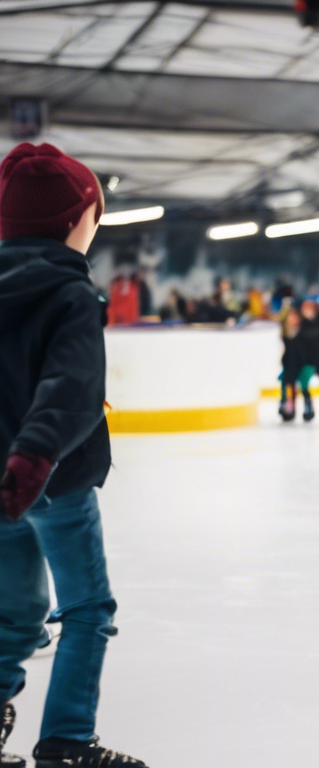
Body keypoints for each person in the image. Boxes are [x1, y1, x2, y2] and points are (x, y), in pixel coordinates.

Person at [0, 143, 149, 766]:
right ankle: (66, 739)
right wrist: (35, 458)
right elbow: (72, 391)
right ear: (74, 222)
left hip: (2, 487)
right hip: (52, 481)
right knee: (86, 609)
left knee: (13, 617)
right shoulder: (71, 297)